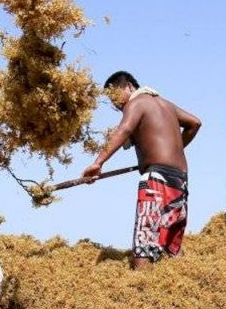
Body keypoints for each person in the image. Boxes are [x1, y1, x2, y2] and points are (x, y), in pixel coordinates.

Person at [82, 71, 201, 270]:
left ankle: (140, 282)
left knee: (144, 237)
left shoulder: (137, 102)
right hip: (180, 179)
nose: (116, 104)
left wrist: (98, 162)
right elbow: (195, 123)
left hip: (156, 178)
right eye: (112, 101)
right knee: (171, 243)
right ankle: (181, 278)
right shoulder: (166, 105)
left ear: (129, 86)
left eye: (116, 96)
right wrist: (173, 149)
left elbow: (125, 129)